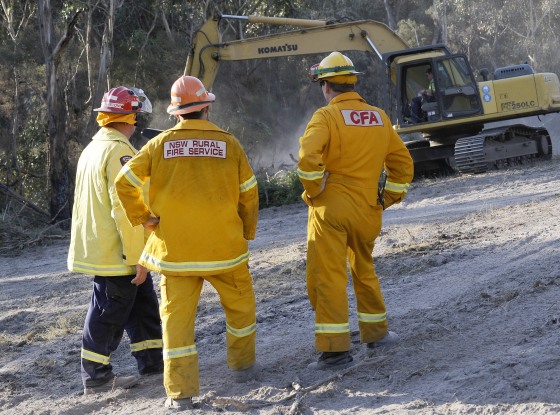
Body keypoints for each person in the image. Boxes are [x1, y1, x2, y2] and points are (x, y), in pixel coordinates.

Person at [115, 75, 259, 411]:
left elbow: (124, 183)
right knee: (240, 311)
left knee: (176, 324)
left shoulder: (159, 145)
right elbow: (249, 194)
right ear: (207, 107)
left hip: (176, 255)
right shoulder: (230, 143)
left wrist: (146, 219)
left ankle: (180, 395)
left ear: (176, 113)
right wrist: (246, 232)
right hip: (225, 251)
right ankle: (243, 369)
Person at [298, 52, 414, 370]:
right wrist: (385, 199)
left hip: (331, 212)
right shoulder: (379, 116)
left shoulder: (325, 117)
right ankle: (377, 334)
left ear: (325, 86)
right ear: (353, 81)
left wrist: (314, 191)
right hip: (367, 210)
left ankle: (335, 352)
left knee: (328, 278)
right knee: (364, 271)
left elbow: (308, 161)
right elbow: (403, 166)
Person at [67, 86, 163, 395]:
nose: (138, 123)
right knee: (109, 313)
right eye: (136, 116)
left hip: (105, 247)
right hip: (117, 254)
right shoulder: (120, 152)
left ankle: (152, 361)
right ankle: (96, 376)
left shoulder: (94, 148)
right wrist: (137, 257)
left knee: (143, 305)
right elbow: (125, 209)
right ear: (130, 116)